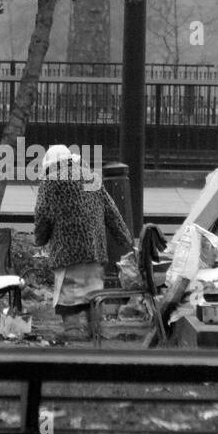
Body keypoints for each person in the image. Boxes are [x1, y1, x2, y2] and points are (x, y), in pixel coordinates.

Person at [33, 145, 133, 341]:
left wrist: (40, 239)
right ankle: (94, 332)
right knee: (93, 294)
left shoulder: (51, 180)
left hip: (68, 251)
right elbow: (111, 210)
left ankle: (72, 332)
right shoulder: (89, 175)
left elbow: (43, 214)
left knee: (68, 296)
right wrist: (125, 239)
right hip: (95, 250)